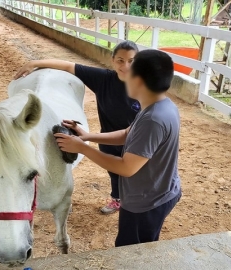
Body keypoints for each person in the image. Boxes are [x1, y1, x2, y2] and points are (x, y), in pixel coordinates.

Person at [54, 49, 182, 247]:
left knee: (132, 251)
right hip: (159, 191)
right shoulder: (159, 105)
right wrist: (87, 136)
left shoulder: (153, 120)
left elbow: (126, 167)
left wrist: (83, 148)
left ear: (138, 81)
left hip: (146, 203)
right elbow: (126, 134)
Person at [14, 41, 140, 215]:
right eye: (120, 60)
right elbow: (68, 66)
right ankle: (117, 199)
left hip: (137, 138)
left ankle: (135, 199)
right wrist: (34, 63)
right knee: (114, 170)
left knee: (134, 171)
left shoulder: (144, 85)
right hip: (107, 139)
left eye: (131, 61)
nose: (125, 66)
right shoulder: (103, 79)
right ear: (112, 60)